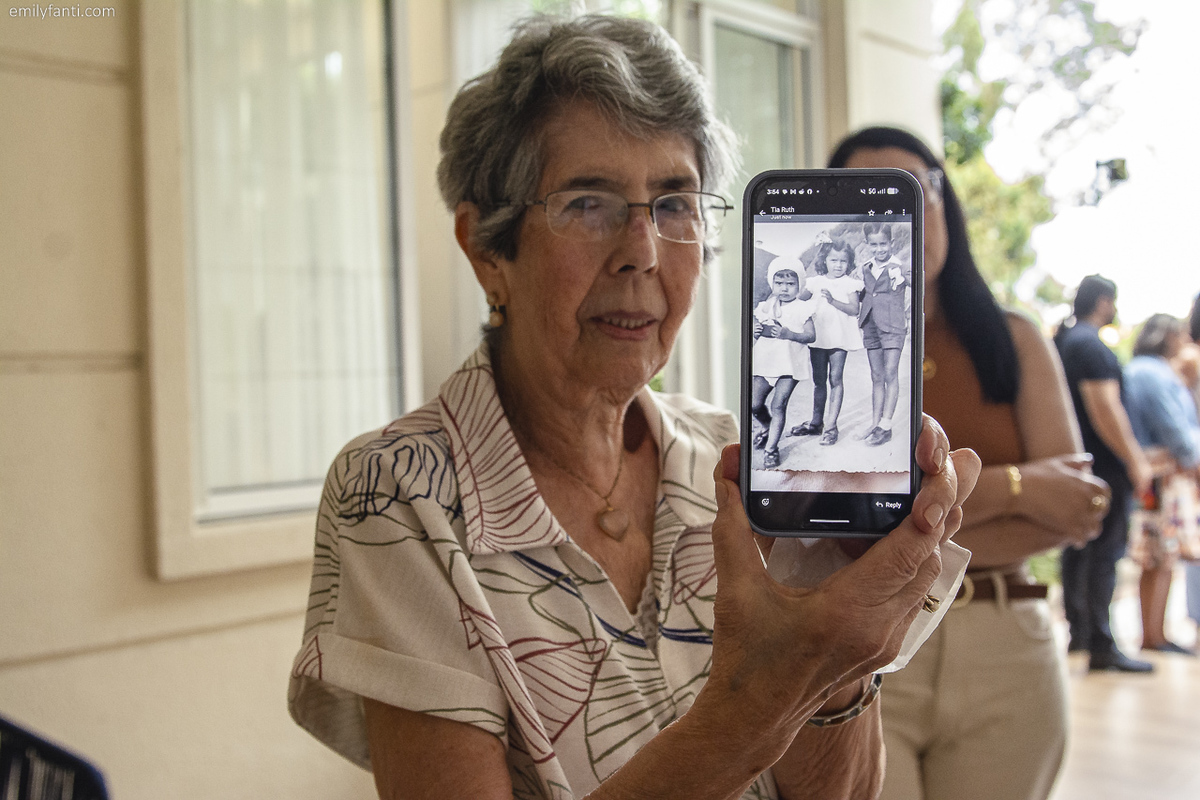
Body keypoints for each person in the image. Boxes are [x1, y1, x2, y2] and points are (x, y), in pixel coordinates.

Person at [287, 17, 979, 800]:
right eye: (589, 202)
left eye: (675, 203)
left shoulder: (739, 461)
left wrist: (843, 662)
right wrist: (762, 698)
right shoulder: (399, 494)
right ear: (487, 247)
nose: (643, 250)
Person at [828, 127, 1112, 800]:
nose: (903, 211)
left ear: (944, 201)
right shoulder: (829, 347)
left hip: (1007, 646)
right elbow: (830, 516)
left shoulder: (1013, 339)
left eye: (919, 187)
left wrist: (903, 510)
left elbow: (1076, 509)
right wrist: (1020, 488)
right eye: (874, 197)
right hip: (869, 645)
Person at [1054, 275, 1155, 672]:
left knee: (1077, 549)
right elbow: (1105, 409)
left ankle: (1081, 633)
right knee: (1103, 554)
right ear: (1103, 302)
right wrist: (1135, 460)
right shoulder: (1090, 345)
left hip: (1076, 466)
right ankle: (1101, 643)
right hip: (1104, 469)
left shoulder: (1064, 342)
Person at [1124, 313, 1200, 655]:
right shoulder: (1154, 374)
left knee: (1159, 556)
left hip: (1153, 476)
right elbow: (1176, 433)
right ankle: (1153, 636)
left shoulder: (1140, 370)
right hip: (1160, 478)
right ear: (1168, 336)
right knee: (1160, 555)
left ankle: (1155, 633)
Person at [791, 239, 863, 446]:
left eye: (843, 261)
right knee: (819, 382)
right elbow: (797, 301)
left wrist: (832, 301)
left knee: (836, 380)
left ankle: (831, 427)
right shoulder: (815, 282)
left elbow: (853, 309)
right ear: (825, 260)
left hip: (839, 339)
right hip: (819, 337)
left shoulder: (850, 284)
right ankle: (816, 423)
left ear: (848, 263)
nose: (838, 265)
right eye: (834, 260)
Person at [751, 256, 817, 468]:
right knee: (754, 404)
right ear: (773, 284)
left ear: (799, 285)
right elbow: (754, 330)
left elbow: (810, 336)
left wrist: (789, 334)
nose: (784, 288)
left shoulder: (802, 308)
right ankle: (767, 425)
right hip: (766, 362)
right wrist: (755, 331)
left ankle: (771, 448)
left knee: (779, 405)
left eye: (790, 284)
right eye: (779, 283)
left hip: (790, 365)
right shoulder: (765, 307)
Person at [857, 222, 909, 447]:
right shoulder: (865, 267)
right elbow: (861, 294)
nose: (879, 249)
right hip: (870, 323)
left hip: (893, 326)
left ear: (891, 243)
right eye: (874, 245)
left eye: (883, 244)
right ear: (867, 244)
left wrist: (905, 277)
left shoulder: (901, 267)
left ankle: (886, 426)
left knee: (890, 373)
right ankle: (875, 423)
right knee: (876, 376)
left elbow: (915, 288)